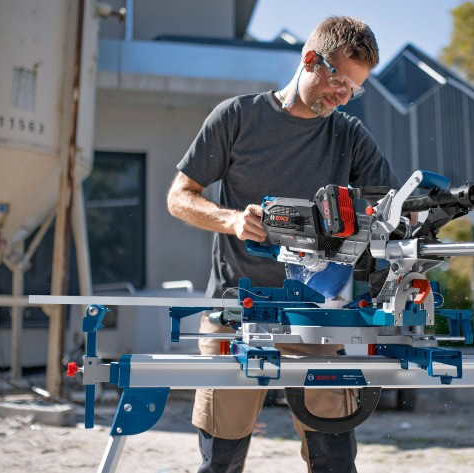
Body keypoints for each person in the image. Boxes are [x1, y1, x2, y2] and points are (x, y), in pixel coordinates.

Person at [166, 16, 400, 473]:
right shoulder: (238, 117)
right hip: (237, 311)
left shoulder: (348, 135)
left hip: (316, 317)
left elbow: (393, 212)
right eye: (338, 81)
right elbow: (180, 197)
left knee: (334, 459)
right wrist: (231, 220)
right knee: (221, 460)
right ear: (311, 59)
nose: (344, 96)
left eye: (355, 89)